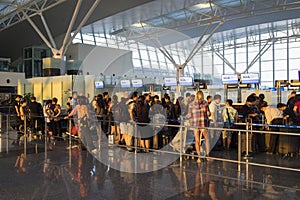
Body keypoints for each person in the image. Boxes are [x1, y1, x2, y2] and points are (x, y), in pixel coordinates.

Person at [187, 90, 210, 163]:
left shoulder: (191, 104)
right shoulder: (205, 103)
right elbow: (208, 113)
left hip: (195, 124)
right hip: (203, 124)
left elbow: (189, 115)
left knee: (197, 140)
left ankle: (199, 157)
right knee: (207, 139)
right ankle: (208, 156)